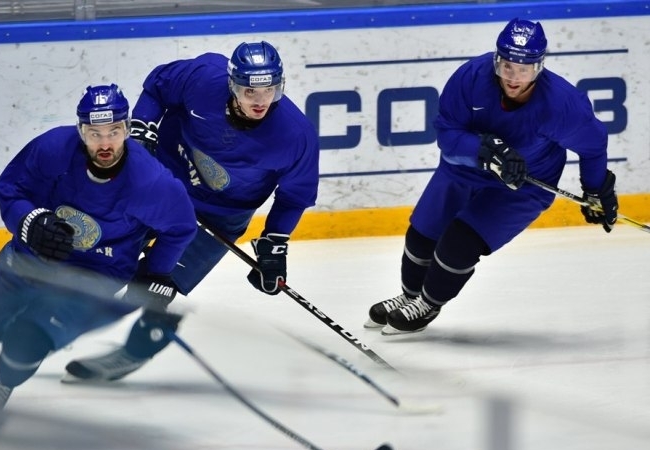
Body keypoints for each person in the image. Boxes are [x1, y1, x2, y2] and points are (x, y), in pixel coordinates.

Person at [0, 84, 197, 435]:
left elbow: (181, 228)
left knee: (27, 339)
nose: (105, 143)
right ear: (81, 131)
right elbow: (12, 188)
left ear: (127, 129)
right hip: (32, 258)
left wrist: (155, 272)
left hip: (95, 276)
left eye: (114, 131)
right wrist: (29, 222)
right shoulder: (53, 149)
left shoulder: (152, 182)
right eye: (95, 133)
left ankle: (3, 386)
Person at [63, 41, 320, 381]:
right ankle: (55, 317)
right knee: (106, 252)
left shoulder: (296, 135)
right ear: (232, 84)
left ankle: (135, 351)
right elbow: (157, 87)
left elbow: (294, 196)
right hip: (162, 186)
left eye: (269, 90)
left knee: (158, 285)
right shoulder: (203, 76)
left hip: (220, 214)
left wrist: (275, 244)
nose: (260, 101)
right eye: (250, 91)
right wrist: (143, 129)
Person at [365, 18, 618, 335]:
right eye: (507, 66)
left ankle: (427, 304)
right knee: (422, 234)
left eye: (523, 69)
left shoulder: (562, 105)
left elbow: (593, 146)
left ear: (538, 67)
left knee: (459, 243)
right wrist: (484, 147)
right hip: (464, 168)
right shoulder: (471, 76)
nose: (513, 77)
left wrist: (594, 189)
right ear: (497, 59)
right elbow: (447, 135)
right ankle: (409, 296)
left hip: (522, 185)